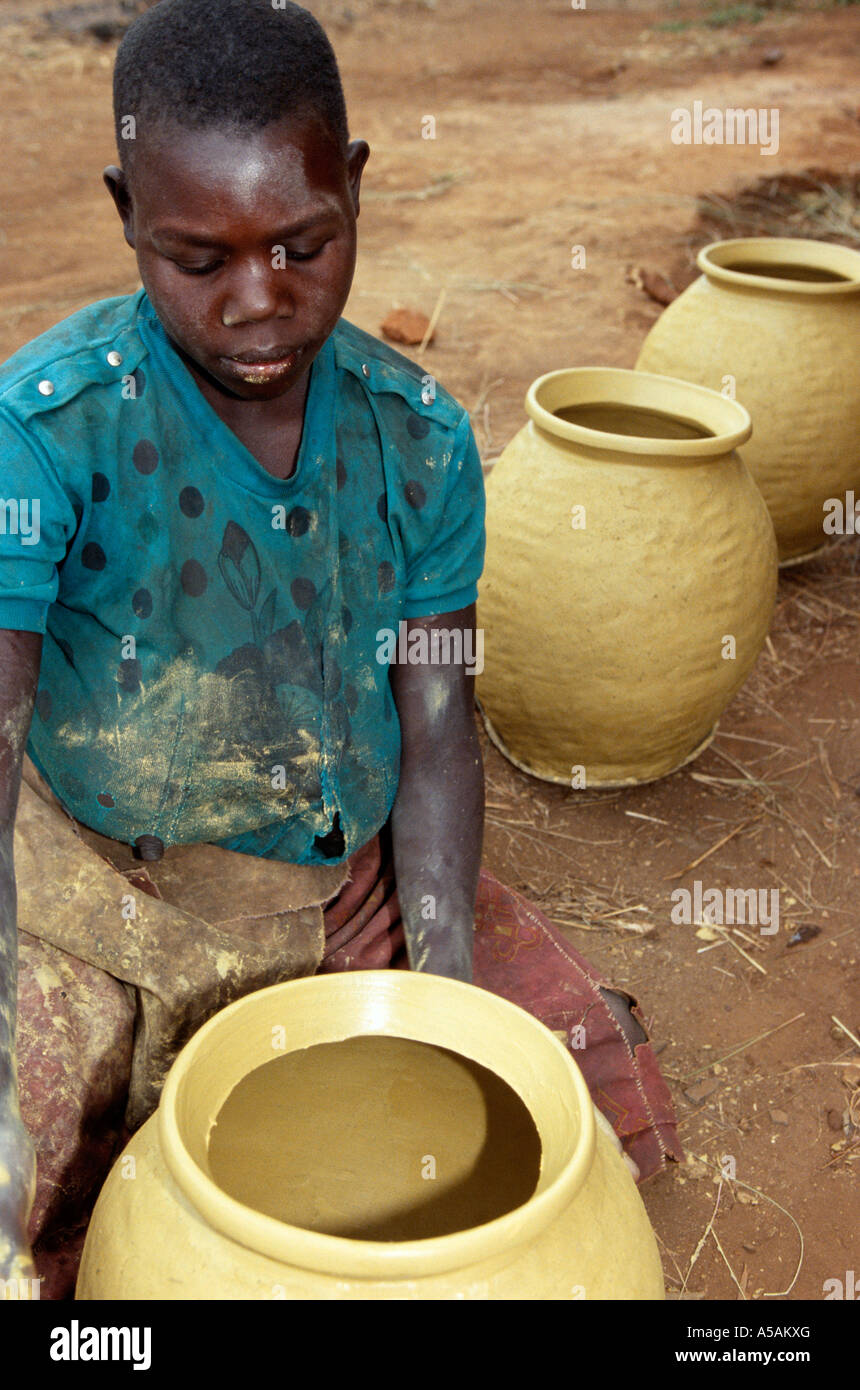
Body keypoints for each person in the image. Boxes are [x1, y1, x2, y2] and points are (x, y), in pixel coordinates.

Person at [0, 0, 679, 1293]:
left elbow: (434, 730)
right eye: (199, 259)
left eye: (303, 244)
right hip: (88, 900)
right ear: (125, 210)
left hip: (327, 895)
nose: (259, 300)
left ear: (354, 187)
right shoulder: (46, 435)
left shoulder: (416, 435)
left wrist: (443, 996)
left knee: (553, 1099)